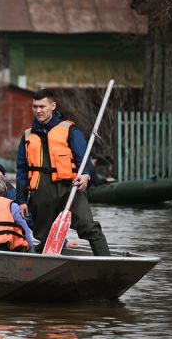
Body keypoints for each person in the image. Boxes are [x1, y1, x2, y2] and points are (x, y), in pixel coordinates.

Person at [15, 89, 110, 256]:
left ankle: (108, 263)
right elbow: (22, 170)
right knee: (45, 236)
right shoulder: (27, 136)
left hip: (70, 189)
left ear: (52, 106)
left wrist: (86, 176)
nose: (38, 111)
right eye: (35, 107)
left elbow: (84, 160)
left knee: (89, 227)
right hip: (41, 191)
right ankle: (47, 267)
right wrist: (22, 199)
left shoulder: (70, 131)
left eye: (42, 106)